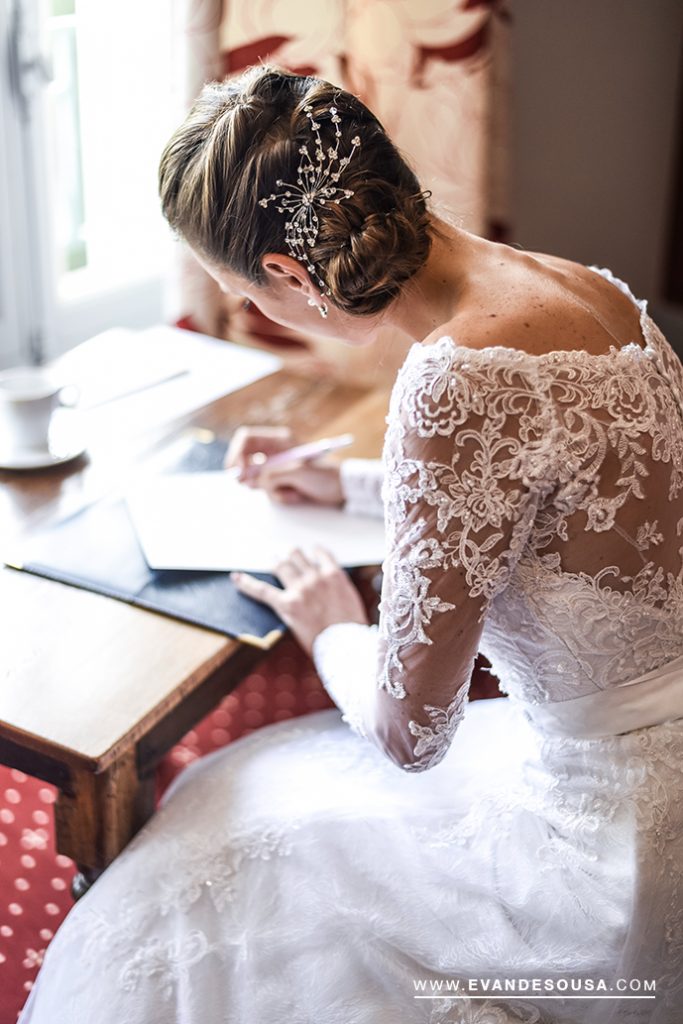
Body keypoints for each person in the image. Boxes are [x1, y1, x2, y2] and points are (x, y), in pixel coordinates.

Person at [19, 64, 683, 1024]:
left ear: (286, 274)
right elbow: (570, 507)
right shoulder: (588, 289)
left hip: (608, 863)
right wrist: (351, 483)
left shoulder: (453, 380)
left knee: (219, 822)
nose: (254, 309)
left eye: (240, 292)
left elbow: (411, 737)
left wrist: (335, 628)